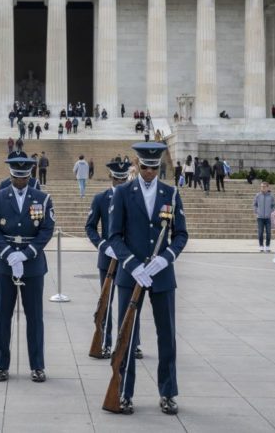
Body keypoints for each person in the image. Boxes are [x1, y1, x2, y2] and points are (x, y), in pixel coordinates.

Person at [108, 142, 187, 416]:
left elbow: (180, 234)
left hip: (162, 275)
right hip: (131, 276)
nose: (150, 172)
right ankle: (124, 392)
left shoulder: (171, 194)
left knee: (167, 336)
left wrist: (165, 258)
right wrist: (132, 264)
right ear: (136, 165)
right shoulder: (122, 193)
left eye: (155, 167)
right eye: (145, 167)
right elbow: (114, 236)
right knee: (126, 336)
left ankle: (167, 393)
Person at [0, 156, 55, 383]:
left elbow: (46, 230)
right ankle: (0, 365)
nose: (20, 180)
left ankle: (37, 365)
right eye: (16, 176)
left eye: (24, 177)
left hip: (32, 264)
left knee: (35, 317)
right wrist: (8, 254)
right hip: (5, 265)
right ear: (10, 174)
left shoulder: (43, 199)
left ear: (30, 175)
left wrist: (25, 254)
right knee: (2, 316)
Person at [85, 161, 143, 359]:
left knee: (131, 302)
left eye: (123, 178)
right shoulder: (101, 198)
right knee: (106, 303)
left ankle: (132, 343)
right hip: (108, 258)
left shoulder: (136, 197)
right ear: (111, 177)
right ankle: (105, 342)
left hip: (130, 259)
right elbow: (90, 227)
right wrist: (103, 246)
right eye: (117, 179)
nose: (120, 182)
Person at [253, 182, 275, 252]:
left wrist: (271, 212)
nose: (263, 188)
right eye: (261, 186)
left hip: (268, 217)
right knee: (260, 232)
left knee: (268, 232)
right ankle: (261, 246)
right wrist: (256, 211)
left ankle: (268, 246)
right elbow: (255, 204)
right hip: (260, 217)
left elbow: (274, 205)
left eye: (264, 186)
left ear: (267, 187)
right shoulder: (257, 195)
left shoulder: (271, 196)